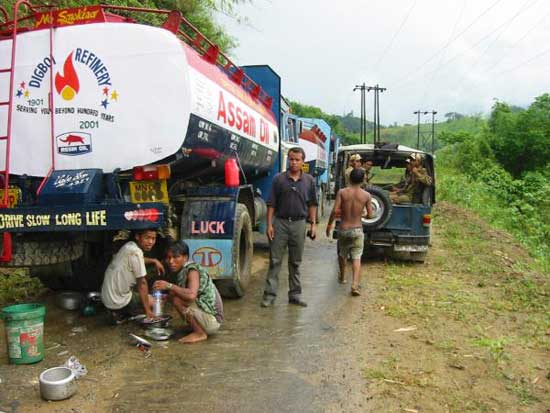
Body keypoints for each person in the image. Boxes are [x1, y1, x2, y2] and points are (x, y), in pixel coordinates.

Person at [261, 147, 318, 308]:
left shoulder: (309, 181)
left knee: (295, 262)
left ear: (302, 162)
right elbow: (271, 203)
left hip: (299, 224)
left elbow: (312, 204)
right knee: (275, 260)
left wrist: (313, 225)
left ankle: (295, 295)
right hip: (280, 223)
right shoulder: (279, 179)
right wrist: (269, 225)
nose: (293, 162)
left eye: (297, 159)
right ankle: (269, 296)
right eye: (291, 159)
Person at [153, 241, 223, 344]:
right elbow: (176, 292)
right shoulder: (181, 271)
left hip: (213, 321)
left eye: (175, 257)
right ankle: (197, 327)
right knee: (174, 297)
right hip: (208, 318)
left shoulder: (192, 270)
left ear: (185, 257)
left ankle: (200, 333)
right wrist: (163, 298)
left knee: (177, 300)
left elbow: (191, 295)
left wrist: (169, 285)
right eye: (169, 257)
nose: (171, 261)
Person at [101, 229, 164, 324]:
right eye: (147, 238)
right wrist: (148, 311)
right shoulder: (136, 252)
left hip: (107, 299)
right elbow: (142, 283)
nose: (151, 242)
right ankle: (123, 313)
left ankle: (122, 313)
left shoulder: (129, 246)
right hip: (117, 301)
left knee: (140, 281)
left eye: (153, 238)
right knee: (157, 302)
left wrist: (154, 260)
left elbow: (139, 259)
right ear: (137, 236)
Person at [327, 168, 373, 296]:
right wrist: (363, 213)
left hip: (344, 229)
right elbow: (370, 215)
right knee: (356, 257)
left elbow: (335, 211)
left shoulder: (342, 192)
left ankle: (342, 277)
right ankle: (354, 284)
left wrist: (329, 225)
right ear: (363, 179)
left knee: (342, 254)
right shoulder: (366, 195)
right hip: (357, 229)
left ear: (350, 178)